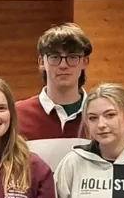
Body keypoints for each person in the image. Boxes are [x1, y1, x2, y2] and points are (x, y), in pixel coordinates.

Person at [15, 23, 92, 168]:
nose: (63, 65)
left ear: (85, 62)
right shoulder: (17, 115)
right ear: (41, 62)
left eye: (72, 57)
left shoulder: (100, 116)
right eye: (54, 57)